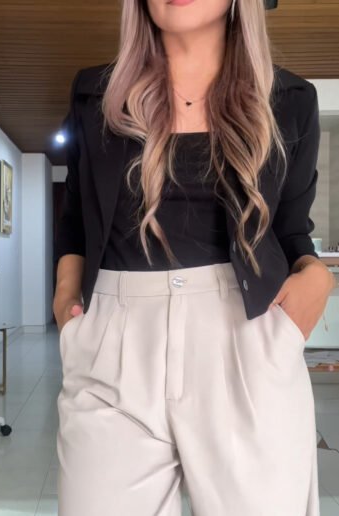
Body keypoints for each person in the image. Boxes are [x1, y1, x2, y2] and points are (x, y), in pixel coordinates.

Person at [53, 1, 335, 515]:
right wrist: (67, 300)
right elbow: (76, 218)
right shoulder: (96, 93)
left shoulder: (289, 99)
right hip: (113, 343)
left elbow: (291, 229)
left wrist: (315, 276)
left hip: (248, 337)